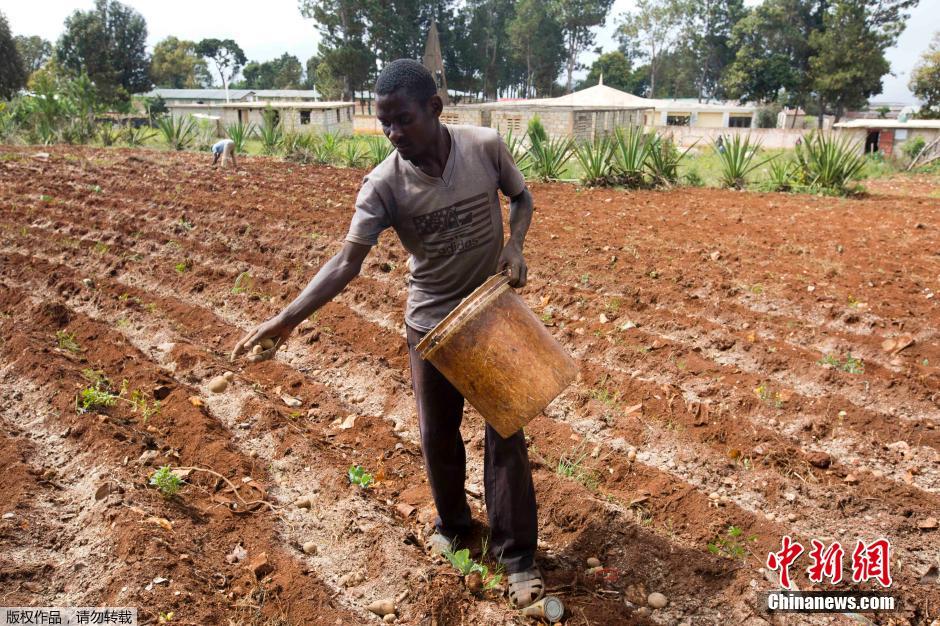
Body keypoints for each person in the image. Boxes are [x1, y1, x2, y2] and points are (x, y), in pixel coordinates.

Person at [231, 59, 544, 608]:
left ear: (435, 109)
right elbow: (346, 262)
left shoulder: (485, 146)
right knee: (436, 437)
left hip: (491, 312)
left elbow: (522, 199)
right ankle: (455, 528)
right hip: (432, 325)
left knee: (506, 429)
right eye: (385, 124)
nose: (394, 133)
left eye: (403, 120)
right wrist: (283, 321)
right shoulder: (382, 184)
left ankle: (517, 556)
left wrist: (514, 245)